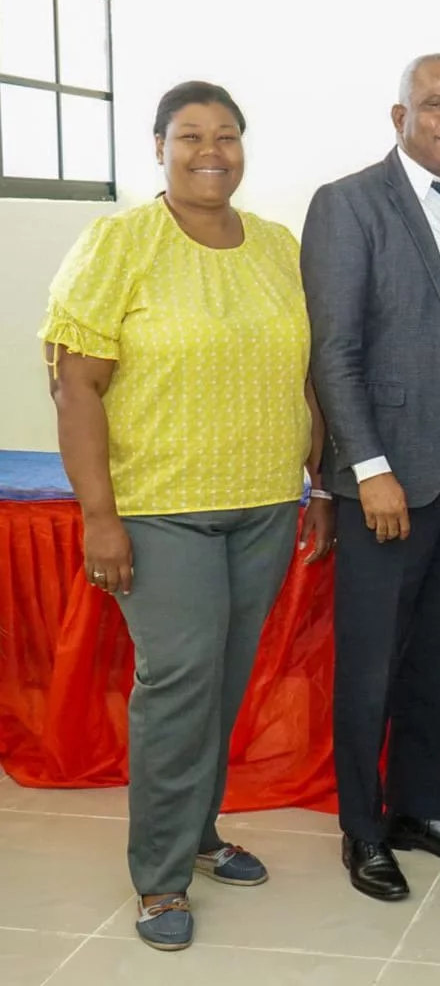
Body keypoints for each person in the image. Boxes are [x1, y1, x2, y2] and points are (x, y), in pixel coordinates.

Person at [39, 81, 334, 951]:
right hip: (162, 510)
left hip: (267, 504)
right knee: (177, 688)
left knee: (222, 681)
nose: (212, 150)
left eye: (227, 135)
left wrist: (311, 483)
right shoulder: (119, 241)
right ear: (159, 146)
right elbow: (76, 386)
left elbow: (305, 376)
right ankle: (161, 878)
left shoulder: (276, 247)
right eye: (191, 136)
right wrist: (100, 516)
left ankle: (200, 832)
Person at [300, 53, 440, 902]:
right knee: (373, 660)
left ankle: (424, 807)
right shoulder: (349, 204)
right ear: (399, 116)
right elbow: (334, 353)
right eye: (434, 104)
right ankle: (362, 829)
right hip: (385, 476)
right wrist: (369, 470)